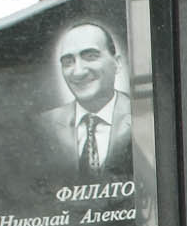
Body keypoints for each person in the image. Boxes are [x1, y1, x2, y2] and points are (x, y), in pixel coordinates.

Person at [46, 18, 132, 177]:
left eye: (90, 56)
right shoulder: (45, 126)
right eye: (68, 62)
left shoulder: (144, 114)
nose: (78, 72)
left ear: (117, 63)